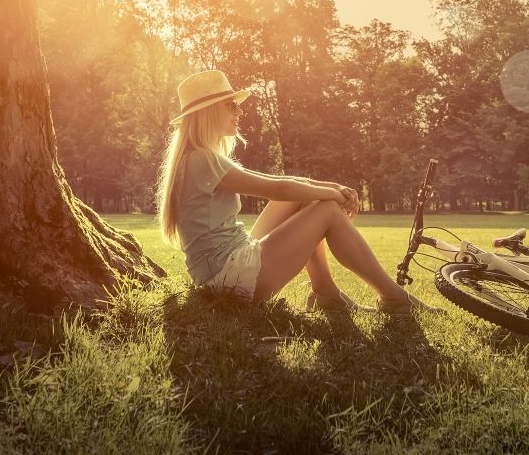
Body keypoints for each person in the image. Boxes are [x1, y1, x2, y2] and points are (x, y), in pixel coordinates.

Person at [156, 69, 441, 314]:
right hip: (228, 276)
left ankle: (325, 295)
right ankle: (394, 297)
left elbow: (279, 181)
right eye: (231, 104)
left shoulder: (196, 159)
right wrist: (334, 196)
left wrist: (331, 187)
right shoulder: (202, 160)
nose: (239, 111)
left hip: (221, 269)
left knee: (302, 198)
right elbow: (275, 187)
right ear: (209, 112)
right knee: (326, 209)